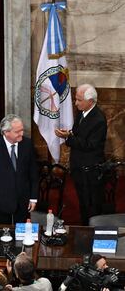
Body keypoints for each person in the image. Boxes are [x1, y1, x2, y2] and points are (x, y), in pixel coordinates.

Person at [55, 83, 107, 225]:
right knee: (83, 201)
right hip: (79, 167)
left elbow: (90, 145)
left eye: (79, 100)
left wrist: (68, 137)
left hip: (90, 171)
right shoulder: (81, 113)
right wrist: (68, 134)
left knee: (91, 204)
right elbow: (79, 136)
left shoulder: (98, 120)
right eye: (76, 99)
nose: (76, 103)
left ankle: (91, 230)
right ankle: (84, 227)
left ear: (90, 101)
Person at [0, 114, 38, 224]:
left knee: (23, 235)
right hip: (2, 203)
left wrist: (33, 198)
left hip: (24, 202)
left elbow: (33, 173)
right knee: (3, 236)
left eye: (22, 130)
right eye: (17, 132)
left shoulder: (27, 145)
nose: (21, 134)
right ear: (6, 132)